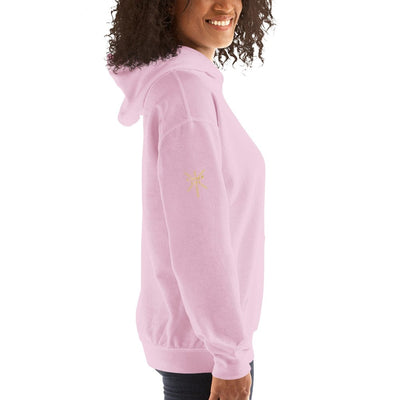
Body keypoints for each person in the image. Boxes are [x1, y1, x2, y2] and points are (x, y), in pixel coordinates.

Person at [106, 1, 275, 399]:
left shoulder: (187, 84)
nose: (226, 5)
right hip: (210, 358)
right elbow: (199, 239)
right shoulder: (186, 91)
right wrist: (230, 356)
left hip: (206, 347)